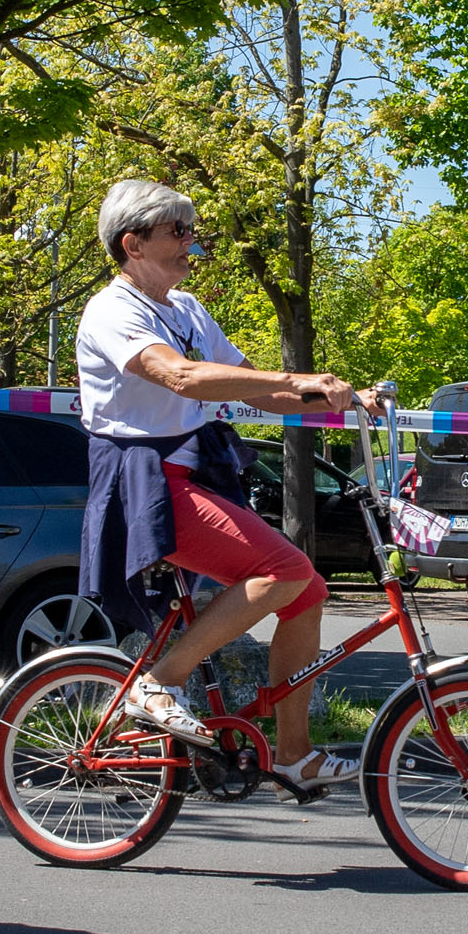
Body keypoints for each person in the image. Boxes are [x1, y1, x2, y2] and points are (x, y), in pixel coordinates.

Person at [76, 179, 375, 795]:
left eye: (192, 230)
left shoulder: (184, 308)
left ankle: (294, 754)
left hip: (192, 466)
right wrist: (297, 377)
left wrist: (332, 399)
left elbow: (243, 385)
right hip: (146, 477)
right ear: (133, 244)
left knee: (306, 591)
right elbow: (181, 377)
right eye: (177, 232)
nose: (192, 243)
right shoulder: (113, 310)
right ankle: (159, 681)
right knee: (283, 569)